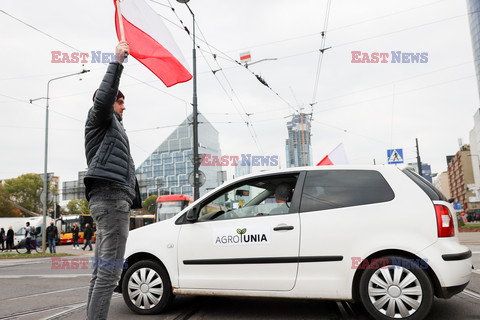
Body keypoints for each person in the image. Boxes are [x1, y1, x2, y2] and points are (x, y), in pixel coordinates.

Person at [83, 41, 142, 320]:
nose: (124, 107)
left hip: (108, 201)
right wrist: (117, 61)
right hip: (111, 200)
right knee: (110, 274)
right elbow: (105, 97)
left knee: (100, 273)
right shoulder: (100, 116)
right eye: (121, 101)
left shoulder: (112, 128)